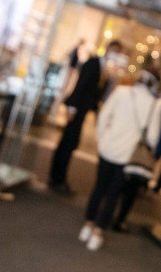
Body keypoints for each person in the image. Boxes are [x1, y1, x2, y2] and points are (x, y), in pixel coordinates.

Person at [78, 66, 161, 251]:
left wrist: (101, 139)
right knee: (113, 194)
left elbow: (102, 117)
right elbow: (153, 139)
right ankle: (97, 233)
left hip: (107, 148)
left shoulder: (121, 92)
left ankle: (87, 226)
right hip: (128, 157)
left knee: (99, 187)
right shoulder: (154, 105)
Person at [48, 40, 124, 195]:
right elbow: (80, 86)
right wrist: (72, 107)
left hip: (81, 110)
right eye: (115, 51)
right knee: (68, 143)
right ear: (108, 49)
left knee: (69, 143)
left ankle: (58, 178)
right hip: (76, 109)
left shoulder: (104, 68)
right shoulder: (93, 63)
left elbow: (97, 94)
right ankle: (57, 178)